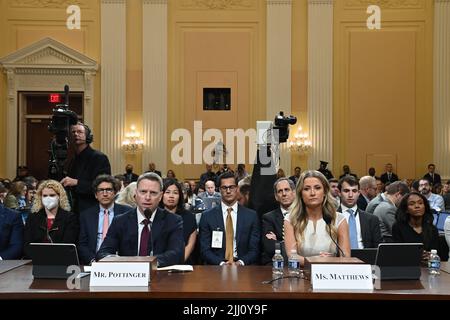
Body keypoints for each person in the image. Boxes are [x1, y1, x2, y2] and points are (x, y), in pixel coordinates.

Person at [96, 173, 184, 267]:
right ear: (136, 194)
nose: (147, 197)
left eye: (153, 193)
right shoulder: (120, 221)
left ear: (160, 196)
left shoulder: (173, 221)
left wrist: (149, 264)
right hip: (127, 276)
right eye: (143, 192)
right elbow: (103, 253)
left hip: (160, 277)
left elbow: (176, 253)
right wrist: (126, 263)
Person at [284, 170, 350, 265]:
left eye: (317, 188)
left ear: (324, 192)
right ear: (300, 194)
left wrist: (331, 260)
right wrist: (317, 260)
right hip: (300, 274)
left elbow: (346, 256)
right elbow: (292, 256)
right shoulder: (290, 219)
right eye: (306, 189)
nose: (312, 193)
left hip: (331, 274)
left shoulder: (339, 219)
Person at [199, 171, 260, 265]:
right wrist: (222, 264)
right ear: (219, 190)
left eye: (231, 187)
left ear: (237, 188)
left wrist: (240, 263)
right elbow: (204, 250)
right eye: (224, 188)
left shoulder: (251, 216)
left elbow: (254, 250)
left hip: (243, 267)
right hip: (216, 267)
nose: (228, 191)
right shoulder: (207, 216)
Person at [78, 175, 132, 265]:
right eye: (101, 190)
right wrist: (93, 261)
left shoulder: (127, 212)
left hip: (120, 262)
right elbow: (82, 244)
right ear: (96, 195)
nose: (105, 194)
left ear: (115, 193)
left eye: (109, 190)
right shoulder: (86, 215)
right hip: (93, 262)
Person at [61, 122, 111, 214]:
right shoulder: (72, 160)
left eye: (80, 132)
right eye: (73, 132)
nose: (76, 134)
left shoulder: (99, 157)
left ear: (87, 136)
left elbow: (103, 187)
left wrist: (76, 182)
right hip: (73, 210)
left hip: (92, 209)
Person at [23, 180, 79, 258]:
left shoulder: (69, 218)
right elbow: (27, 245)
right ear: (40, 197)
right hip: (35, 261)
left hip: (61, 262)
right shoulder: (33, 217)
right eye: (45, 196)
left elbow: (68, 245)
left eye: (52, 195)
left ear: (59, 196)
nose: (48, 198)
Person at [392, 192, 441, 260]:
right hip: (406, 265)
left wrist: (429, 256)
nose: (417, 206)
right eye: (412, 204)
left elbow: (436, 252)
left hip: (427, 265)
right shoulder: (398, 227)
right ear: (406, 209)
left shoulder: (432, 229)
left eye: (420, 203)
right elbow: (397, 253)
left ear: (425, 207)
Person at [337, 176, 382, 249]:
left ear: (359, 193)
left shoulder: (372, 219)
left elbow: (377, 249)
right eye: (346, 191)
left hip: (366, 258)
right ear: (339, 193)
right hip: (340, 259)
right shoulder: (330, 217)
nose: (350, 195)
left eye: (354, 191)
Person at [160, 179, 197, 264]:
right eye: (167, 192)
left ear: (180, 196)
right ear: (161, 195)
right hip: (159, 263)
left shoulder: (189, 217)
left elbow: (190, 244)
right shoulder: (154, 216)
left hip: (183, 264)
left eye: (175, 193)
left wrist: (178, 262)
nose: (171, 196)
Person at [261, 178, 296, 265]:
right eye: (280, 191)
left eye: (287, 190)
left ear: (294, 193)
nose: (284, 194)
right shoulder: (268, 218)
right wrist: (296, 246)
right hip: (277, 265)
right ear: (276, 197)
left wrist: (279, 242)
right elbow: (270, 248)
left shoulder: (304, 215)